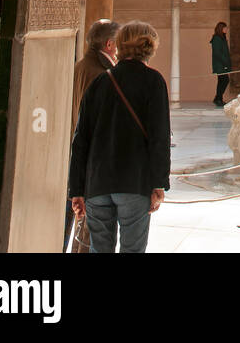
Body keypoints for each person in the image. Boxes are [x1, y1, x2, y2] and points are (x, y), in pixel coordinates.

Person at [69, 20, 171, 254]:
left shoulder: (100, 82)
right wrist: (158, 183)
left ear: (119, 46)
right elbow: (159, 137)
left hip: (97, 183)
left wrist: (77, 188)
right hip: (134, 182)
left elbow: (81, 139)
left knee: (99, 249)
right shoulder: (153, 81)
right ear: (150, 47)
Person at [64, 18, 119, 251]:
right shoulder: (100, 74)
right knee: (90, 233)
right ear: (109, 44)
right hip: (93, 168)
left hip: (82, 162)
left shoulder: (81, 66)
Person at [211, 20, 232, 106]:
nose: (226, 29)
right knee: (224, 80)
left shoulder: (222, 38)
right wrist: (225, 61)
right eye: (225, 28)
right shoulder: (217, 38)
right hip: (220, 64)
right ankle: (218, 98)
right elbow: (217, 53)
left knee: (223, 81)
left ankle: (218, 98)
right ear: (221, 29)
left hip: (223, 64)